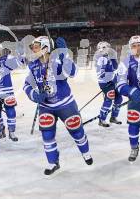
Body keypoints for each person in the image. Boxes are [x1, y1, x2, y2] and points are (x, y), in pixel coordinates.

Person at [23, 36, 92, 175]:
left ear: (45, 47)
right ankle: (53, 162)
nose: (33, 49)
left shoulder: (58, 59)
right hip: (46, 106)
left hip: (65, 104)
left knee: (76, 130)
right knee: (47, 135)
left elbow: (72, 73)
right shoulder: (34, 65)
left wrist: (65, 54)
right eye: (33, 47)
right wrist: (34, 95)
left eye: (36, 46)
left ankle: (86, 153)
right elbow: (26, 85)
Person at [0, 41, 25, 141]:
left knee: (11, 112)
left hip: (7, 91)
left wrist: (21, 53)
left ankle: (11, 132)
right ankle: (0, 130)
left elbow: (20, 62)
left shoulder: (7, 59)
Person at [95, 41, 122, 127]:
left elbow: (115, 68)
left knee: (118, 99)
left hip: (112, 81)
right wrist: (110, 80)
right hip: (105, 83)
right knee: (109, 100)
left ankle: (113, 117)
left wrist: (114, 59)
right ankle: (102, 120)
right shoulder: (101, 58)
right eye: (107, 48)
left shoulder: (108, 57)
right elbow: (101, 73)